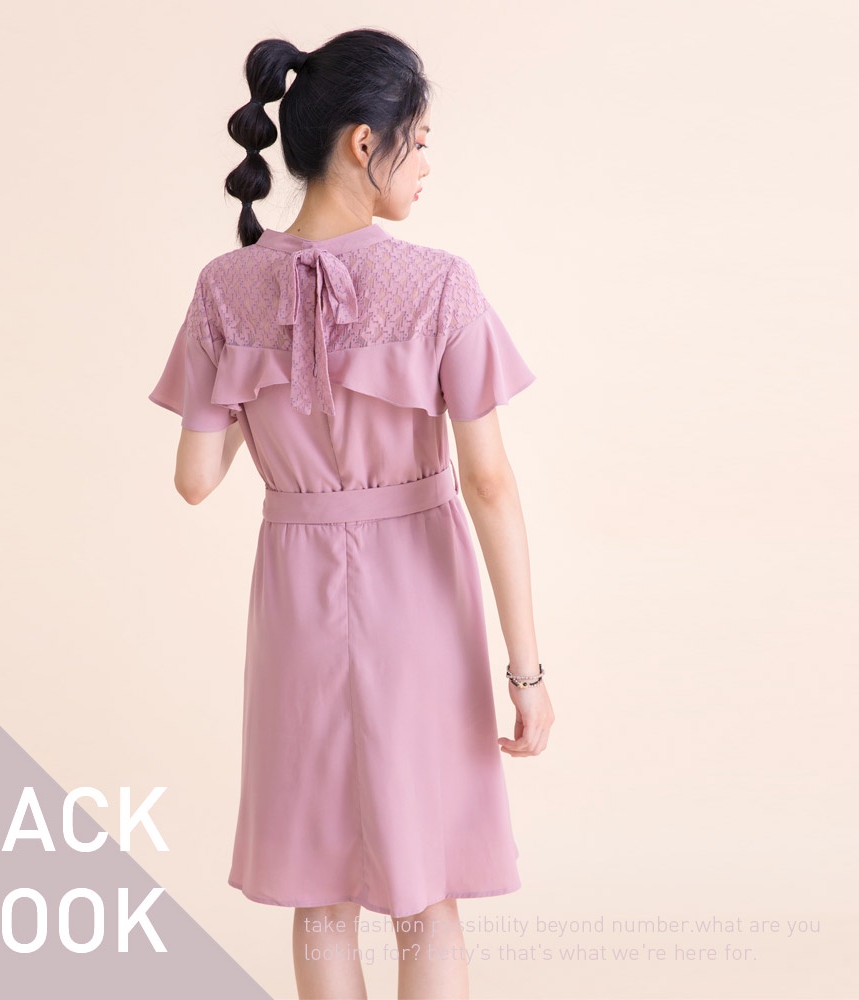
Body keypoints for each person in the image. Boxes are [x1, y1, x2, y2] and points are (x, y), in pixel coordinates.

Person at [148, 27, 555, 1000]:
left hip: (294, 604)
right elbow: (490, 483)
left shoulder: (225, 287)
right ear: (365, 143)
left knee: (320, 893)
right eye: (420, 141)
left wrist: (262, 384)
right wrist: (527, 672)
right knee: (426, 895)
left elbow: (196, 478)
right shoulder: (440, 284)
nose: (427, 163)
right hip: (419, 597)